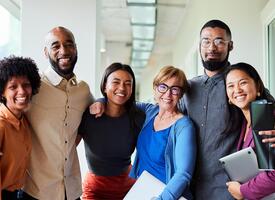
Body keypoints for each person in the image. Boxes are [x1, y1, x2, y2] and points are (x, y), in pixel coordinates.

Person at [180, 19, 275, 200]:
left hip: (230, 190)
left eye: (219, 41)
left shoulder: (243, 85)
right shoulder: (189, 89)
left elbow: (266, 108)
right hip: (191, 188)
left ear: (230, 46)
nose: (212, 47)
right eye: (206, 41)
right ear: (200, 45)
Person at [22, 27, 93, 200]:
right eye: (56, 46)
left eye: (69, 44)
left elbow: (89, 122)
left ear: (75, 49)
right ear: (46, 52)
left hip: (72, 191)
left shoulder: (83, 91)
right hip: (36, 191)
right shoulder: (31, 87)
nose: (64, 50)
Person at [77, 63, 145, 200]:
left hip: (127, 186)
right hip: (95, 189)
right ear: (104, 86)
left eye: (128, 83)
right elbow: (69, 148)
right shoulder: (89, 115)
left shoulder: (138, 116)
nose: (122, 88)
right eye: (116, 82)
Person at [130, 66, 196, 200]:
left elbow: (183, 174)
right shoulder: (150, 111)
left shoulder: (184, 126)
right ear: (155, 89)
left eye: (175, 89)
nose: (168, 94)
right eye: (163, 87)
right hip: (143, 190)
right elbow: (121, 102)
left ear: (181, 94)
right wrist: (100, 102)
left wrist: (162, 199)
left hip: (168, 195)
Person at [224, 62, 275, 200]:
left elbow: (273, 174)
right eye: (231, 86)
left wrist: (242, 190)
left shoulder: (266, 117)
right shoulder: (244, 124)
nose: (237, 90)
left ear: (257, 86)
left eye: (243, 83)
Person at [0, 56, 41, 200]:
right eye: (13, 87)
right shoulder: (1, 124)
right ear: (2, 92)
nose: (22, 91)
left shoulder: (23, 120)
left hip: (20, 194)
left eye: (26, 84)